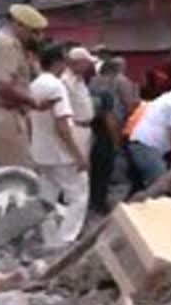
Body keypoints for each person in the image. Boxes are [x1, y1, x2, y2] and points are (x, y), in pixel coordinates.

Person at [0, 4, 57, 171]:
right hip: (2, 116)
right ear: (18, 24)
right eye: (33, 32)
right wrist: (33, 101)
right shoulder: (9, 45)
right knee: (20, 176)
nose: (37, 37)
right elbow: (1, 85)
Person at [29, 44, 89, 251]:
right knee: (79, 194)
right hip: (61, 153)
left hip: (41, 151)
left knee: (47, 197)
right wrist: (78, 154)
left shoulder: (34, 85)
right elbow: (62, 126)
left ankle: (50, 239)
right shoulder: (56, 86)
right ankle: (67, 239)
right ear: (58, 62)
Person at [88, 59, 121, 214]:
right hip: (103, 135)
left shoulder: (90, 85)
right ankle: (100, 204)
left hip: (89, 133)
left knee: (93, 170)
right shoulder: (105, 91)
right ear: (113, 73)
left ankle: (92, 201)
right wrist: (116, 142)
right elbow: (109, 119)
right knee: (103, 171)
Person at [62, 47, 96, 157]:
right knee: (77, 165)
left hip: (85, 128)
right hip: (75, 128)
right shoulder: (65, 80)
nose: (89, 66)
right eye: (86, 63)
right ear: (78, 62)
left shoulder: (80, 79)